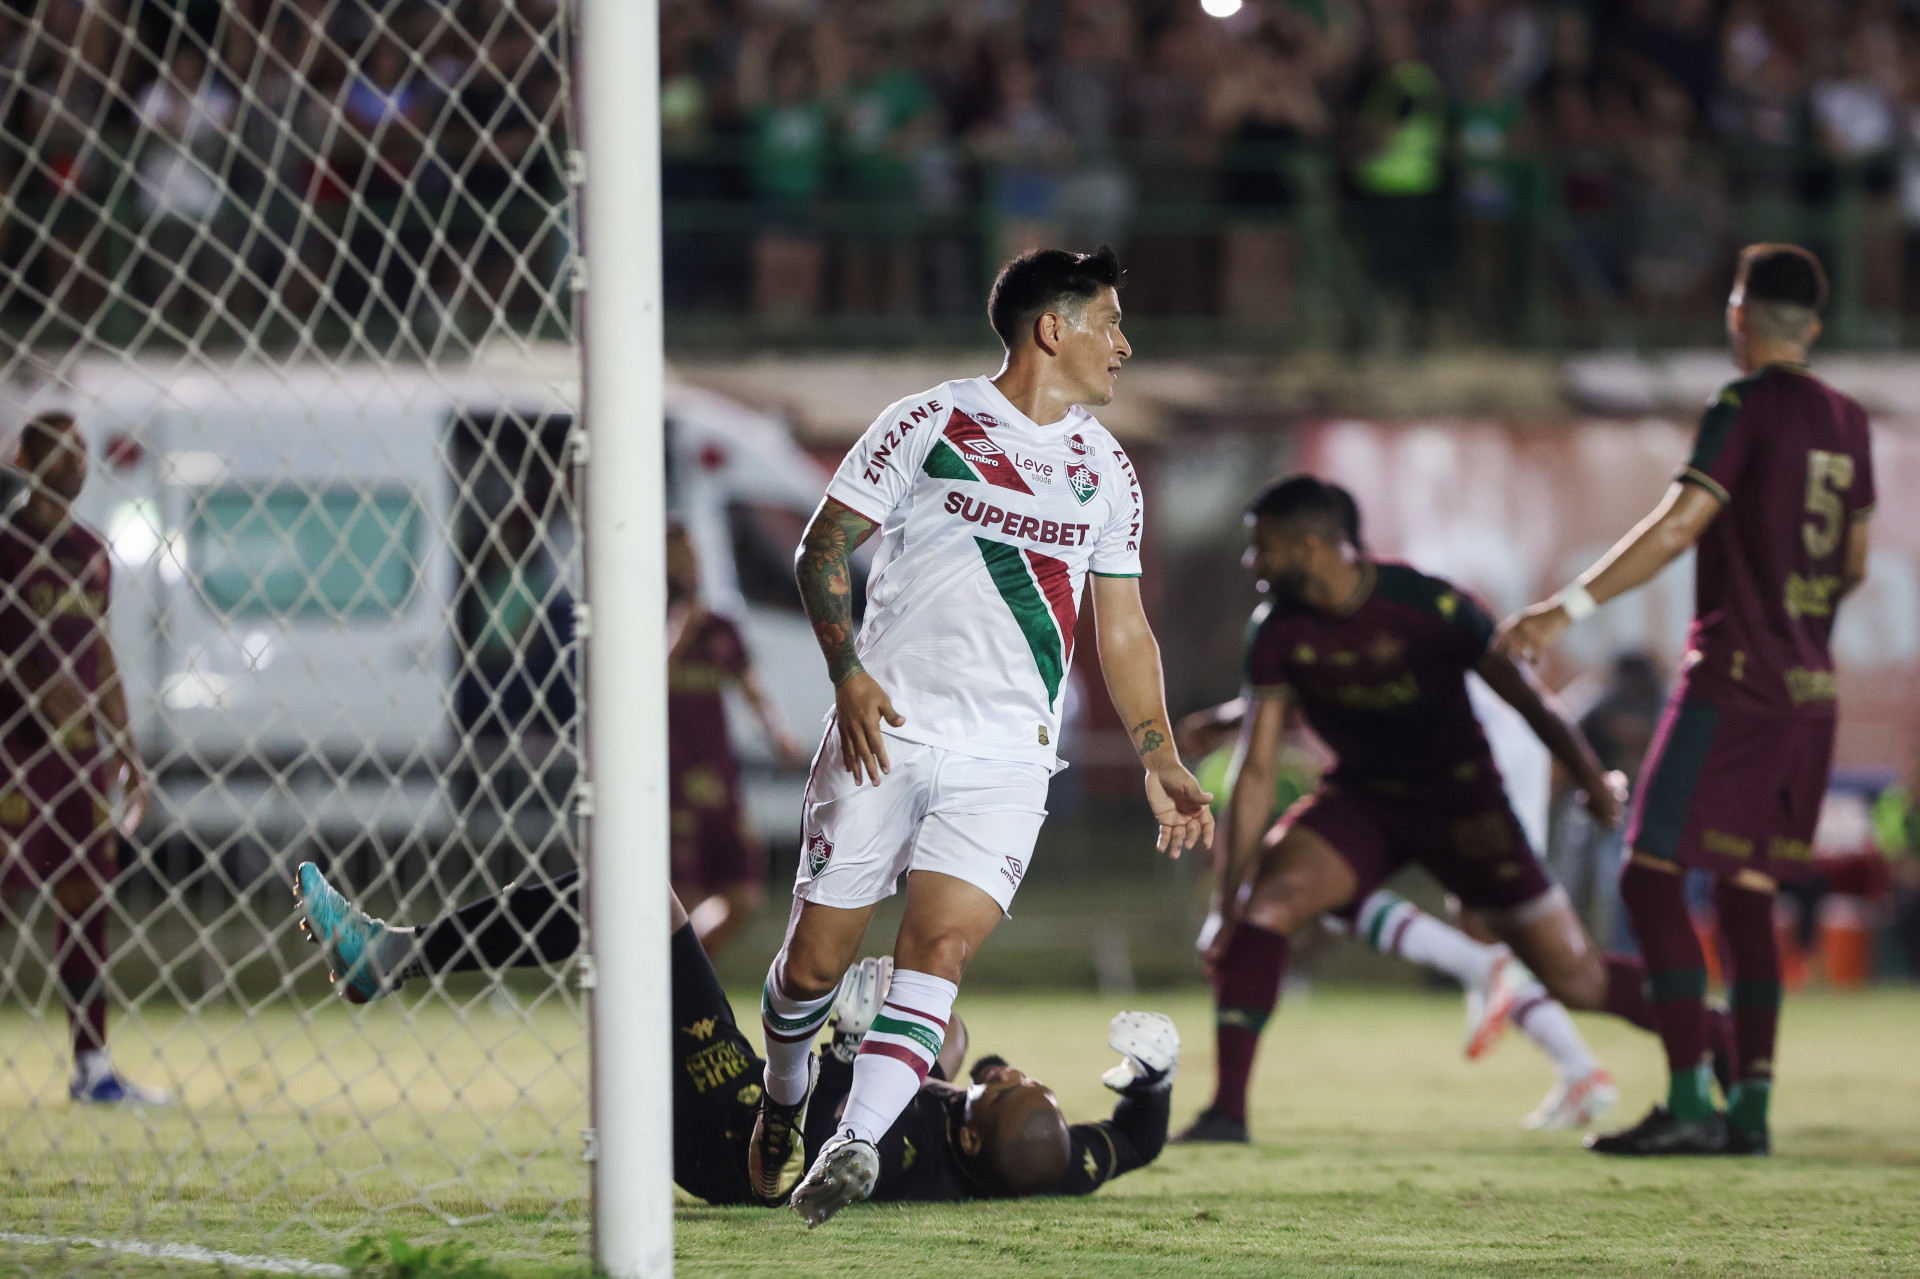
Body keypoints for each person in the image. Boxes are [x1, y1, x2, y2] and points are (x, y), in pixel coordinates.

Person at [758, 246, 1213, 1226]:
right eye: (1111, 323)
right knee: (813, 966)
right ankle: (786, 1091)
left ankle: (852, 1142)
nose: (1124, 345)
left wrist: (1157, 748)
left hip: (1009, 752)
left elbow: (1122, 626)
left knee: (945, 944)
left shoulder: (1106, 470)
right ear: (1054, 328)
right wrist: (846, 675)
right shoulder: (929, 422)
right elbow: (822, 547)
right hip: (889, 729)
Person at [1497, 244, 1873, 1157]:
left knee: (1647, 872)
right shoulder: (1849, 418)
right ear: (1814, 326)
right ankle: (1748, 1108)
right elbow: (1855, 562)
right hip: (1810, 692)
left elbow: (1679, 523)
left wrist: (1565, 607)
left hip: (1733, 680)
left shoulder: (1742, 405)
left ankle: (1687, 1098)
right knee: (1746, 892)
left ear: (1738, 317)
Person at [1181, 475, 1692, 1144]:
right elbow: (1256, 769)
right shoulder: (1275, 631)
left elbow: (1530, 699)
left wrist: (1594, 784)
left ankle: (1713, 1034)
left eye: (1264, 549)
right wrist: (1226, 901)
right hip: (1364, 799)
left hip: (1464, 802)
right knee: (1267, 902)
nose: (1253, 565)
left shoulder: (1426, 604)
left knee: (1579, 978)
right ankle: (1226, 1112)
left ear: (1310, 546)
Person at [290, 863, 1177, 1205]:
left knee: (631, 890)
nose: (1014, 1069)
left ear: (970, 1128)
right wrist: (1154, 1074)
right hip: (748, 1124)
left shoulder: (905, 1138)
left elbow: (816, 1155)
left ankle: (396, 955)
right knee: (945, 1037)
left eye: (1003, 1083)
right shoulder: (1050, 1162)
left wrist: (842, 1046)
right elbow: (1131, 1141)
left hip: (739, 1135)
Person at [1175, 697, 1616, 1132]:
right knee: (1325, 889)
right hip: (1465, 750)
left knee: (1503, 933)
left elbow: (1309, 677)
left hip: (1469, 755)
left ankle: (1608, 1046)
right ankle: (1571, 1057)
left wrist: (1592, 779)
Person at [0, 411, 164, 1105]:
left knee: (86, 900)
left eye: (82, 453)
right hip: (12, 752)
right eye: (61, 452)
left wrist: (125, 748)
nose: (75, 464)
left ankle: (93, 1065)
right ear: (25, 457)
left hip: (79, 760)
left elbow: (98, 654)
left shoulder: (92, 550)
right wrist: (28, 684)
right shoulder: (6, 549)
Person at [666, 521, 801, 955]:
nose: (691, 565)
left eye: (693, 555)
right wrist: (677, 632)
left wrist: (778, 734)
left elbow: (751, 688)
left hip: (719, 778)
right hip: (667, 783)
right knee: (676, 900)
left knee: (744, 895)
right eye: (680, 556)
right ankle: (675, 987)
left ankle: (684, 971)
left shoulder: (719, 626)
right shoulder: (640, 626)